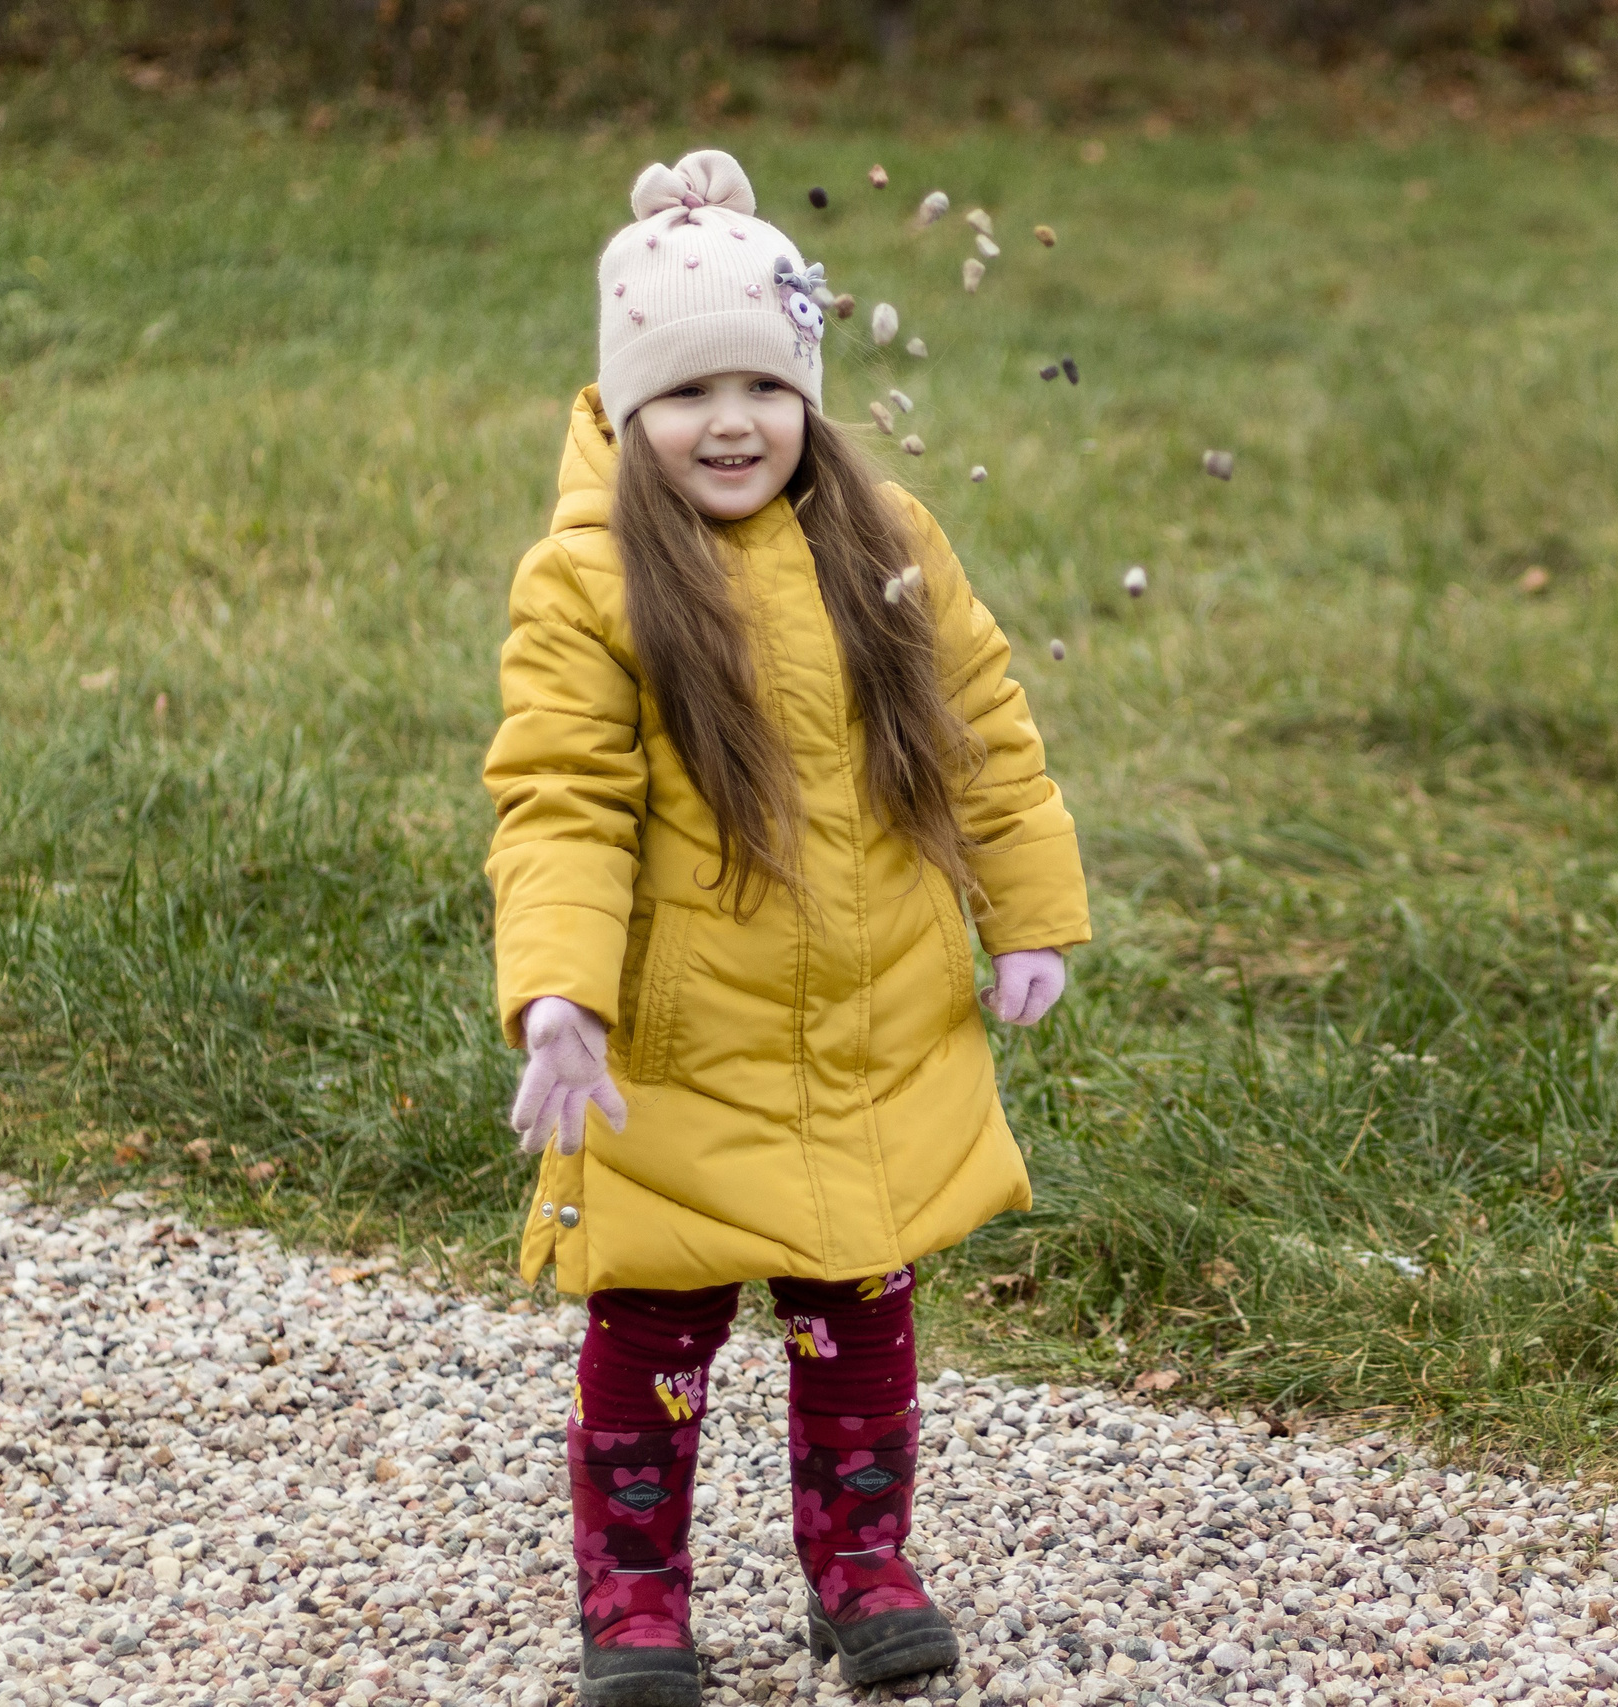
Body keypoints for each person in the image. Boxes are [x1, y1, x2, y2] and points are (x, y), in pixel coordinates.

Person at [482, 148, 1090, 1707]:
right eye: (687, 391)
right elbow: (559, 801)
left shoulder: (887, 546)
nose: (732, 420)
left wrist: (1027, 912)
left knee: (861, 1318)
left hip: (876, 1025)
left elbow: (983, 733)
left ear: (812, 388)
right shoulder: (591, 584)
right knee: (653, 1336)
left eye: (765, 379)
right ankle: (633, 1599)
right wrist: (561, 994)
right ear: (625, 409)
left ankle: (862, 1564)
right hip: (677, 1048)